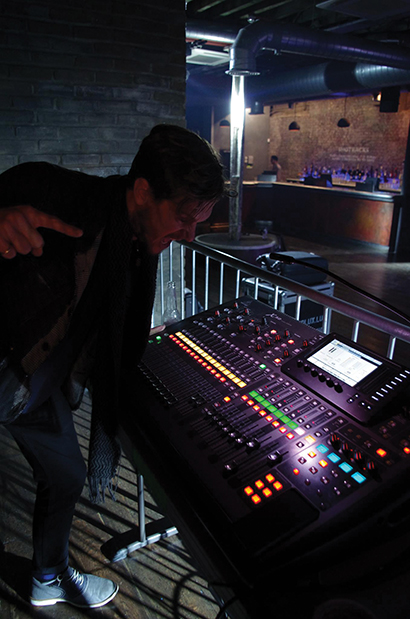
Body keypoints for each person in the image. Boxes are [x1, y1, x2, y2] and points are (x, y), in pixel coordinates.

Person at [0, 124, 225, 609]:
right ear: (142, 191)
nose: (189, 235)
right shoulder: (54, 192)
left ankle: (48, 577)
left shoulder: (138, 246)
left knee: (66, 475)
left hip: (37, 384)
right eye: (185, 217)